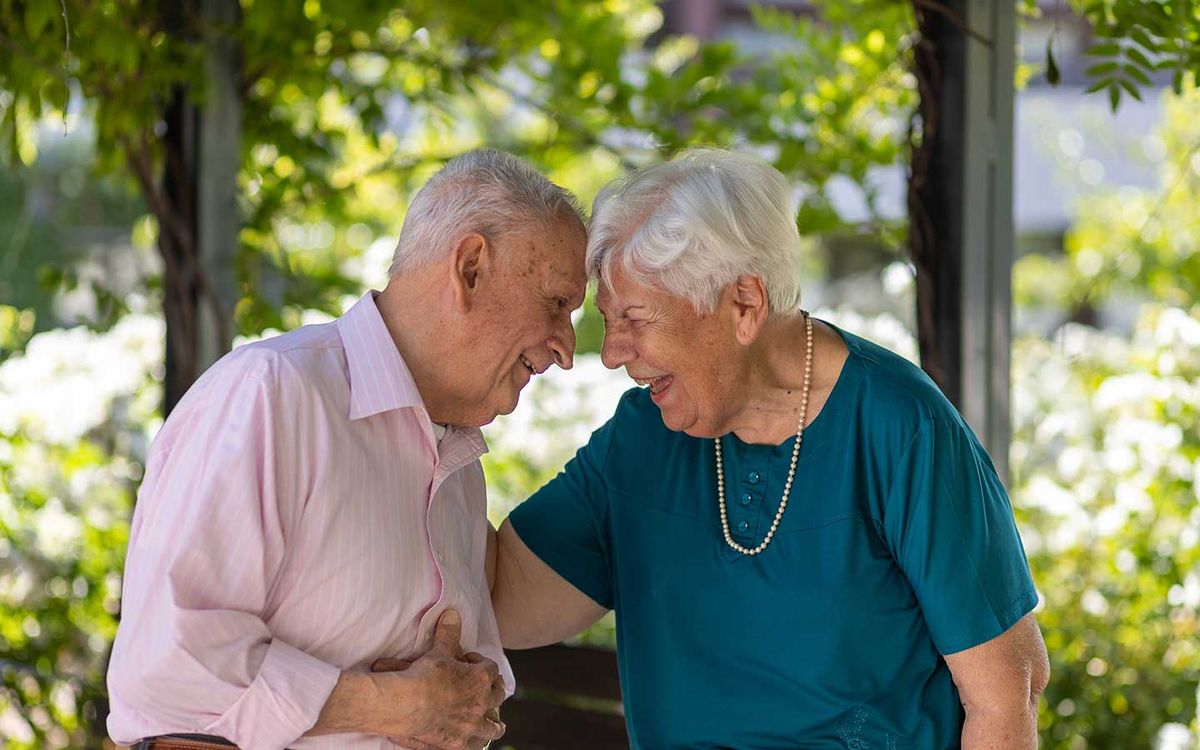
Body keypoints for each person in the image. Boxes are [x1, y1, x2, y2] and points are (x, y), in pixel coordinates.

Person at [491, 148, 1049, 749]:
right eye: (608, 318)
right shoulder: (644, 436)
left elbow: (1006, 692)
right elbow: (501, 594)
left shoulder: (899, 428)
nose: (612, 351)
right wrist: (428, 426)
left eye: (636, 318)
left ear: (745, 305)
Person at [106, 148, 588, 750]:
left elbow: (451, 692)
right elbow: (170, 673)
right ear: (469, 269)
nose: (566, 348)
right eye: (557, 305)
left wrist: (469, 701)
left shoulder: (458, 462)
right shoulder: (271, 393)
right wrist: (390, 706)